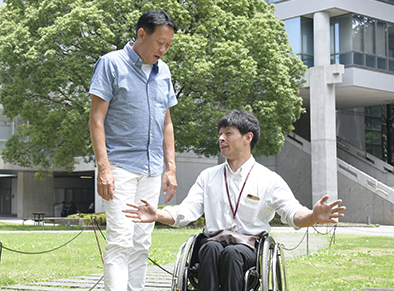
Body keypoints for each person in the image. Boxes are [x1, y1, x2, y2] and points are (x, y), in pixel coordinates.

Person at [124, 110, 346, 291]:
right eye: (220, 134)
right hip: (211, 244)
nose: (221, 138)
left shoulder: (268, 179)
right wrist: (157, 214)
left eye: (228, 133)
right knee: (210, 248)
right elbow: (186, 211)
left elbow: (293, 213)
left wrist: (314, 216)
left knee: (232, 253)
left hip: (247, 248)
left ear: (248, 137)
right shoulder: (208, 177)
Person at [89, 10, 178, 291]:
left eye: (168, 45)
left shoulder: (163, 71)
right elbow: (96, 119)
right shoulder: (111, 64)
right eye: (159, 43)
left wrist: (171, 167)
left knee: (142, 242)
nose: (163, 50)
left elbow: (167, 123)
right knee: (120, 240)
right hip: (120, 167)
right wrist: (104, 169)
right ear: (141, 34)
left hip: (151, 170)